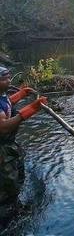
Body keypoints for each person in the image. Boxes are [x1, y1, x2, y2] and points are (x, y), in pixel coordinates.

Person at [0, 65, 47, 212]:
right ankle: (9, 211)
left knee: (18, 171)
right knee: (7, 183)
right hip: (1, 150)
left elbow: (7, 104)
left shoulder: (2, 95)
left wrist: (22, 93)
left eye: (9, 77)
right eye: (4, 79)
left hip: (8, 145)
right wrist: (31, 109)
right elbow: (3, 127)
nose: (9, 81)